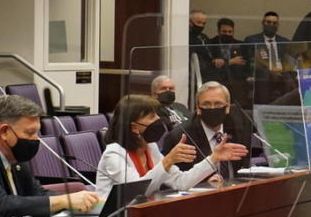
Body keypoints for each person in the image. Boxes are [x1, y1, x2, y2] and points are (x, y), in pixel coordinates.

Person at [95, 95, 247, 199]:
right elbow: (137, 192)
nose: (159, 120)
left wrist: (213, 158)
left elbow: (181, 182)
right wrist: (168, 161)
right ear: (135, 128)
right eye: (151, 117)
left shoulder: (151, 148)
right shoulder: (114, 154)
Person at [161, 81, 251, 179]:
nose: (212, 108)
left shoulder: (239, 129)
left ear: (227, 107)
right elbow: (170, 180)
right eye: (206, 104)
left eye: (218, 104)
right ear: (198, 108)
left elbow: (243, 169)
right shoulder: (180, 137)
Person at [243, 11, 295, 104]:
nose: (271, 25)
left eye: (274, 23)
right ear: (263, 23)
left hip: (281, 74)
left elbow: (289, 62)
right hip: (261, 73)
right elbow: (249, 61)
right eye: (268, 22)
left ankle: (287, 109)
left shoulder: (285, 42)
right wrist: (270, 70)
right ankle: (265, 108)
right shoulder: (252, 40)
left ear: (278, 25)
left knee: (288, 76)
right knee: (264, 74)